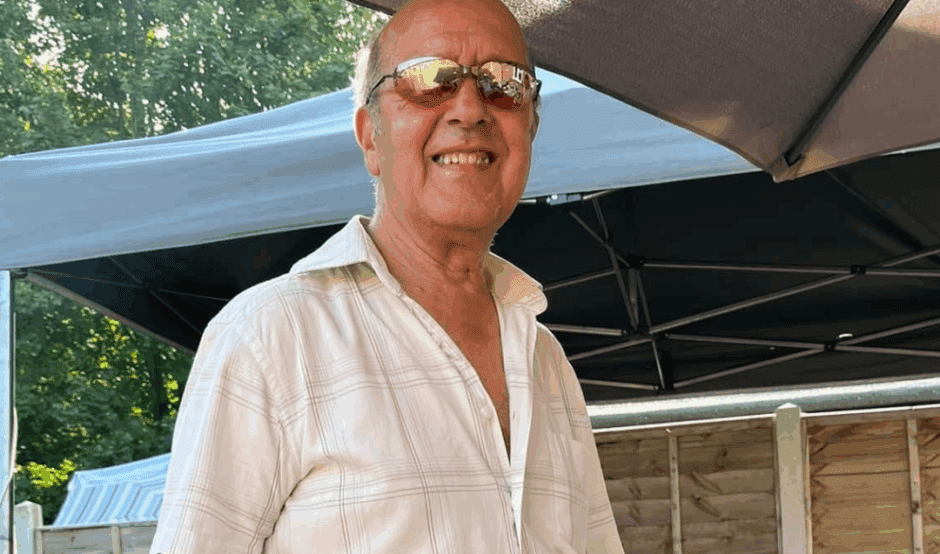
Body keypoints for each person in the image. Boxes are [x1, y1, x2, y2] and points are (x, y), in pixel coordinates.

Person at [150, 0, 624, 552]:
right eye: (429, 79)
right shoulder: (268, 338)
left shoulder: (546, 361)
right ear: (370, 137)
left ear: (531, 127)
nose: (470, 107)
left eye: (504, 82)